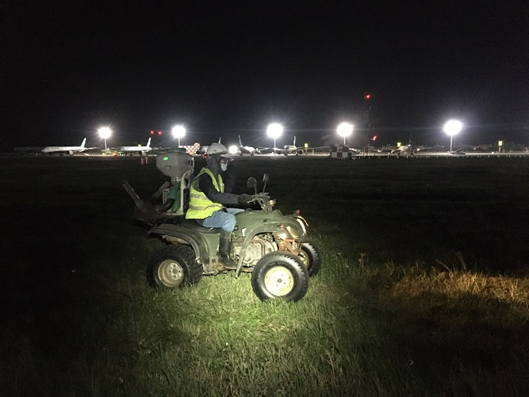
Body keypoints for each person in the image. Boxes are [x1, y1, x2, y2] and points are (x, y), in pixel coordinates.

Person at [185, 143, 252, 269]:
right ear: (214, 159)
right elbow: (214, 196)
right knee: (229, 219)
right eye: (223, 160)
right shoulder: (204, 177)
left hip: (213, 210)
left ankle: (238, 245)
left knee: (243, 213)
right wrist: (237, 199)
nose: (225, 163)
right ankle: (224, 256)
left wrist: (231, 173)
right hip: (202, 215)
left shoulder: (216, 177)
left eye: (227, 160)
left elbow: (225, 192)